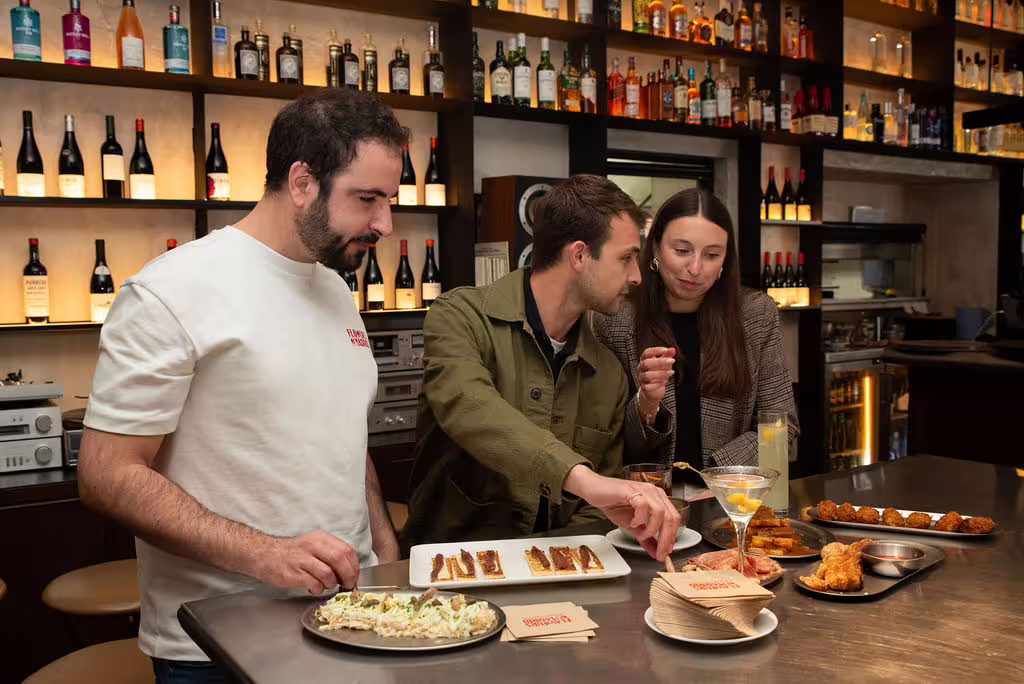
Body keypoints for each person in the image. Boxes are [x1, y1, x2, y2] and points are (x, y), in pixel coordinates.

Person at [77, 89, 408, 683]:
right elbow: (107, 475)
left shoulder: (335, 288)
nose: (384, 222)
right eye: (367, 199)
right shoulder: (172, 292)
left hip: (349, 618)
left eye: (390, 200)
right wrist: (267, 553)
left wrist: (385, 555)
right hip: (216, 638)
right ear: (302, 181)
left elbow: (342, 437)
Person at [402, 175, 681, 561]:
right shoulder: (460, 317)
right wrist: (584, 479)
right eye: (626, 257)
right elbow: (471, 407)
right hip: (450, 573)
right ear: (580, 255)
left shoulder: (609, 373)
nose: (636, 276)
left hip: (558, 575)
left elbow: (594, 507)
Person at [594, 188, 799, 483]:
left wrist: (717, 476)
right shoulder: (615, 318)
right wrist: (646, 404)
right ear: (655, 248)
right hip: (644, 502)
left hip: (730, 498)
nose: (695, 268)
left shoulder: (755, 314)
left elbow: (781, 427)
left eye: (712, 255)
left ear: (725, 261)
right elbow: (606, 443)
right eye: (681, 251)